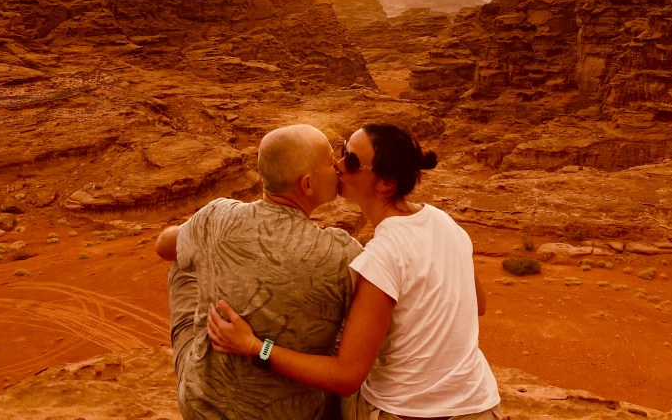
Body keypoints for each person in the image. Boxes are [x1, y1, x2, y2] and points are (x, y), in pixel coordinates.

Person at [207, 123, 502, 420]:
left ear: (385, 183)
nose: (337, 165)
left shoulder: (382, 255)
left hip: (409, 413)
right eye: (343, 150)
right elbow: (479, 304)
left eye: (350, 161)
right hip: (481, 405)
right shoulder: (444, 222)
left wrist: (256, 347)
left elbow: (346, 376)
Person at [154, 123, 362, 420]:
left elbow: (163, 246)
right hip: (292, 413)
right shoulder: (343, 253)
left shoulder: (217, 216)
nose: (338, 167)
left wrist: (209, 234)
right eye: (331, 161)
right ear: (307, 185)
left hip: (202, 405)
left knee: (183, 260)